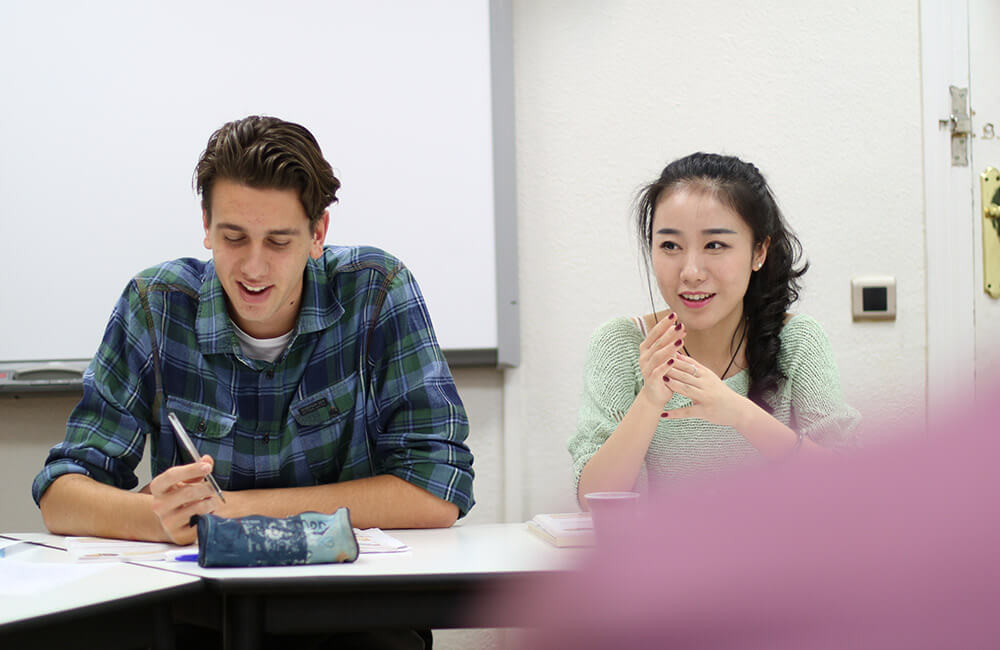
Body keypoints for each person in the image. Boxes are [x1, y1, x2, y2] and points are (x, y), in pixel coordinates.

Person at [33, 116, 475, 547]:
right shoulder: (156, 304)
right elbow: (61, 496)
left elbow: (438, 491)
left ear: (317, 232)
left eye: (279, 242)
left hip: (349, 598)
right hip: (202, 603)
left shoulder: (376, 290)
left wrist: (235, 509)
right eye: (234, 238)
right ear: (206, 225)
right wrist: (156, 517)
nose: (254, 268)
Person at [570, 152, 859, 503]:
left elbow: (847, 484)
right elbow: (592, 499)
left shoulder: (797, 341)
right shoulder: (622, 343)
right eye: (670, 245)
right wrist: (649, 400)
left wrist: (738, 412)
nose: (690, 271)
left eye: (715, 245)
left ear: (759, 252)